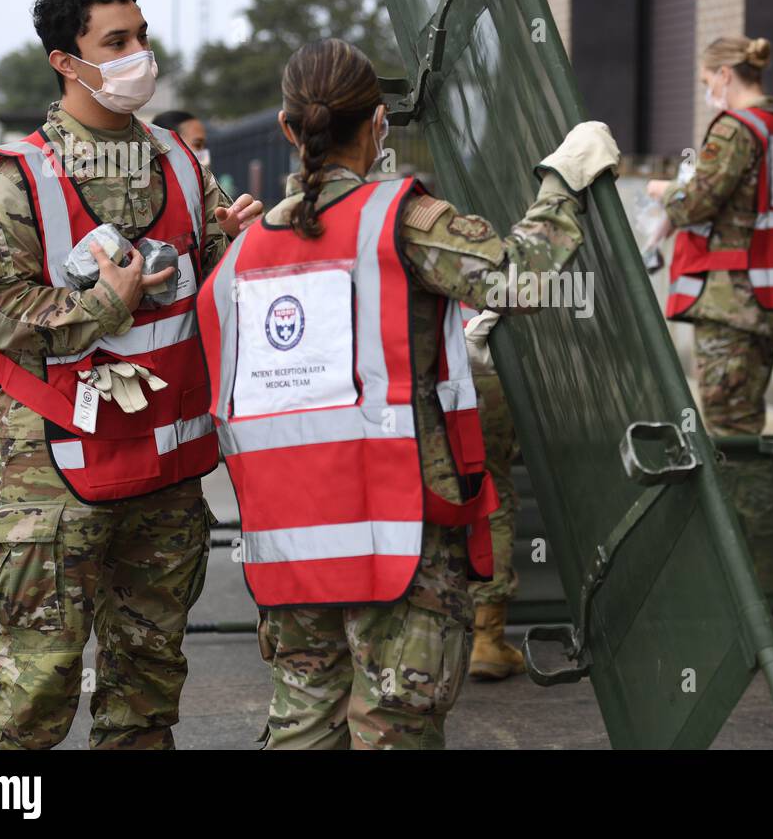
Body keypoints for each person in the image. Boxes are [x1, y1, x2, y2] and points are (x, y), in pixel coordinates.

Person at [196, 39, 618, 748]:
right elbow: (516, 276)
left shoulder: (240, 255)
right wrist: (562, 184)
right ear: (380, 122)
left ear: (285, 126)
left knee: (302, 728)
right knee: (394, 727)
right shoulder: (399, 219)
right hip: (398, 534)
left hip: (288, 545)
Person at [0, 0, 263, 749]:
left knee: (147, 675)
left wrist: (247, 242)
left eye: (142, 36)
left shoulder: (181, 161)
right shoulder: (17, 179)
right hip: (53, 469)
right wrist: (104, 305)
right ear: (67, 60)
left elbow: (214, 276)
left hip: (163, 464)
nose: (139, 55)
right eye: (116, 42)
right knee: (39, 676)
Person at [647, 36, 773, 435]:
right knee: (744, 421)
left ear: (725, 75)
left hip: (731, 299)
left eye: (705, 81)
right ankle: (748, 497)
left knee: (730, 431)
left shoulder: (735, 129)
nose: (706, 91)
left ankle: (746, 500)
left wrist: (666, 191)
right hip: (770, 294)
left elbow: (695, 205)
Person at [461, 308, 525, 680]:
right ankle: (487, 637)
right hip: (483, 359)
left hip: (412, 365)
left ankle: (424, 634)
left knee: (423, 495)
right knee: (491, 499)